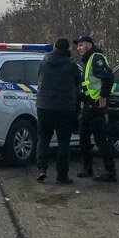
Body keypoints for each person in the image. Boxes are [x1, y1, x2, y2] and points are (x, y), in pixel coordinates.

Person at [35, 37, 81, 184]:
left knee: (43, 138)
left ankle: (42, 169)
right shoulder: (71, 65)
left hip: (43, 106)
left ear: (55, 47)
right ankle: (62, 176)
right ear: (67, 49)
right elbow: (78, 84)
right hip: (64, 108)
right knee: (63, 142)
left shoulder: (44, 61)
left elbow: (39, 78)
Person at [74, 35, 118, 182]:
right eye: (78, 46)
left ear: (89, 45)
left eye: (81, 45)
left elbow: (108, 77)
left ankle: (110, 171)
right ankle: (88, 168)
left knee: (99, 139)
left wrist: (103, 97)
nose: (78, 48)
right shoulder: (88, 60)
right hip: (88, 104)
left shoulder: (96, 58)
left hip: (96, 105)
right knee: (84, 137)